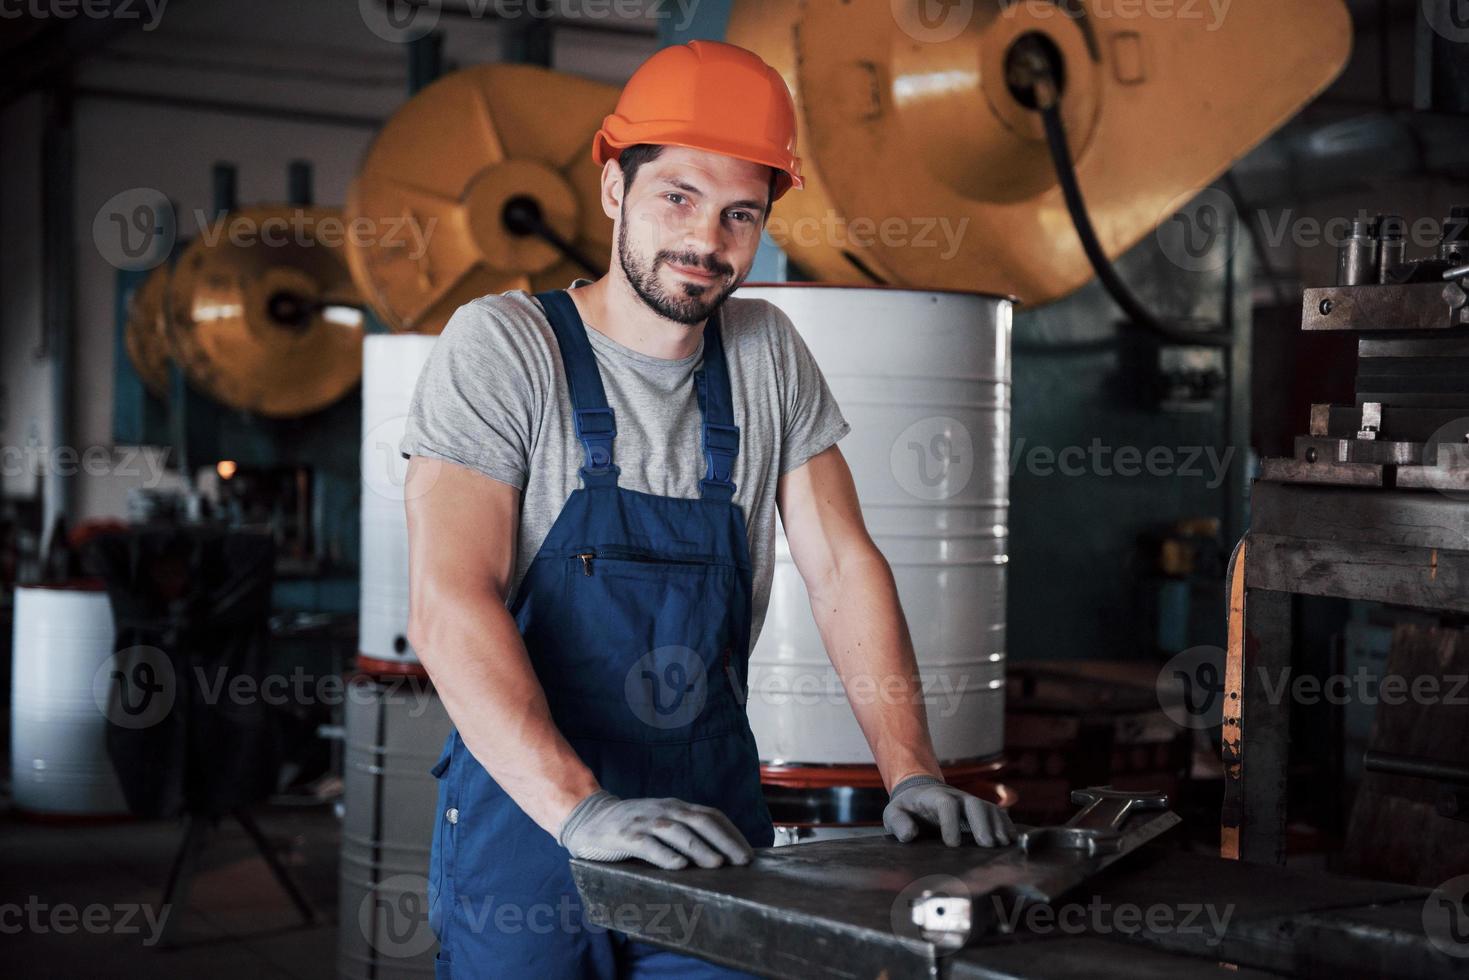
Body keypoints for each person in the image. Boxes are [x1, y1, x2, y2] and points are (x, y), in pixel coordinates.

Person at [401, 39, 1014, 980]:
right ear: (614, 188)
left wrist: (911, 769)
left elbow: (843, 568)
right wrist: (580, 809)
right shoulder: (505, 345)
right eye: (677, 197)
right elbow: (450, 602)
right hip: (531, 818)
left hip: (709, 815)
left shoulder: (764, 352)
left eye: (740, 213)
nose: (706, 241)